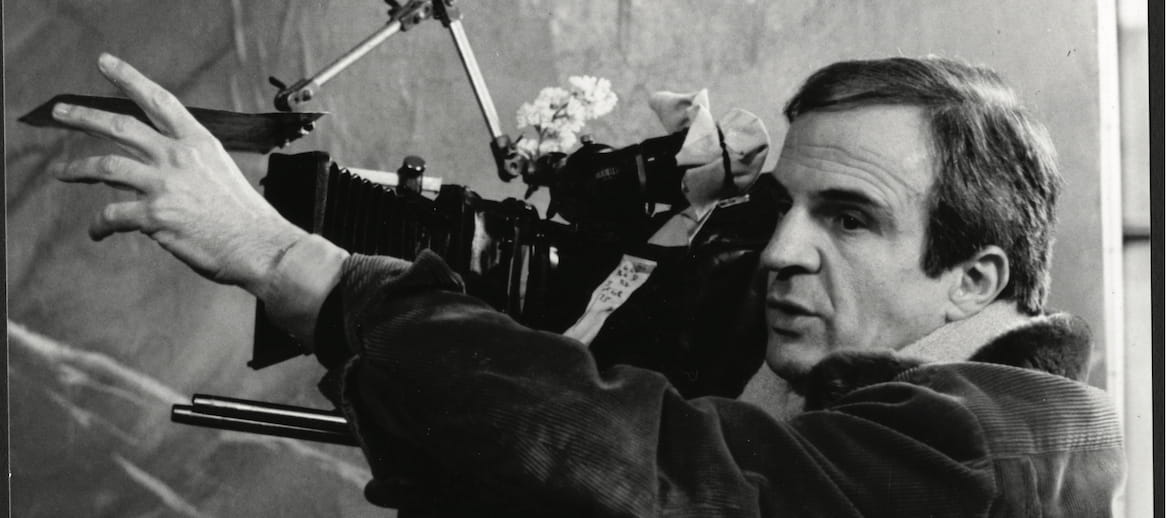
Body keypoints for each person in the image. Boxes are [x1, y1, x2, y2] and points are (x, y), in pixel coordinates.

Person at [50, 53, 1124, 516]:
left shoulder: (971, 450)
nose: (780, 253)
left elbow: (665, 475)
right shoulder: (948, 408)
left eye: (848, 218)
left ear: (976, 276)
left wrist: (292, 262)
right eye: (778, 209)